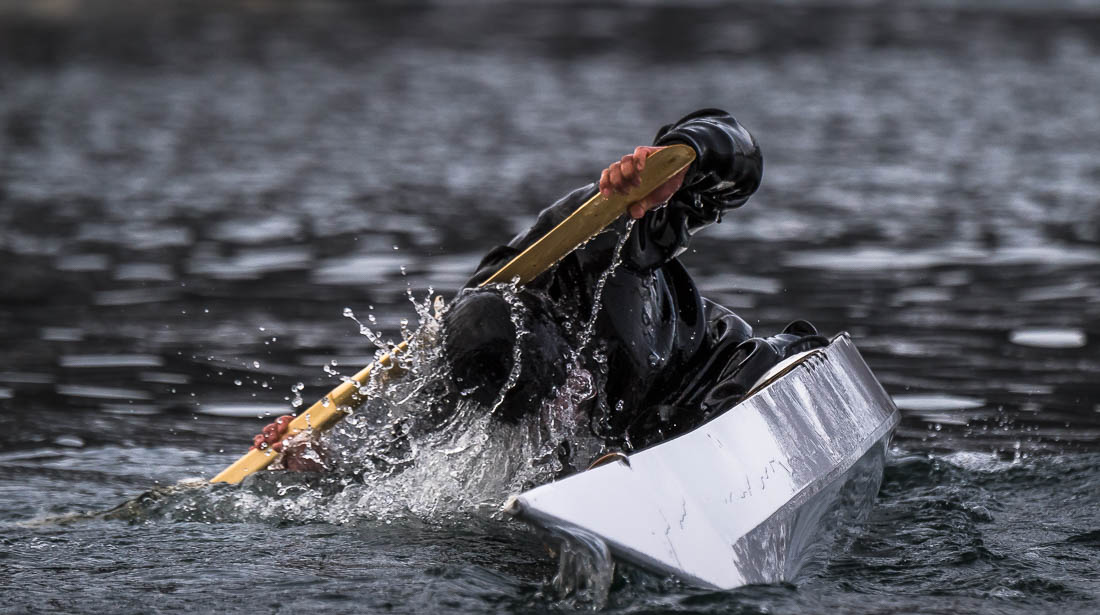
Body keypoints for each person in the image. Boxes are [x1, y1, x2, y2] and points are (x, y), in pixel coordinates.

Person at [255, 108, 827, 472]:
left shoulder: (608, 231)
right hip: (593, 415)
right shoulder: (463, 375)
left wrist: (686, 153)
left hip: (721, 374)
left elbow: (740, 159)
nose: (560, 411)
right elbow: (396, 468)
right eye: (542, 410)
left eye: (558, 399)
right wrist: (313, 461)